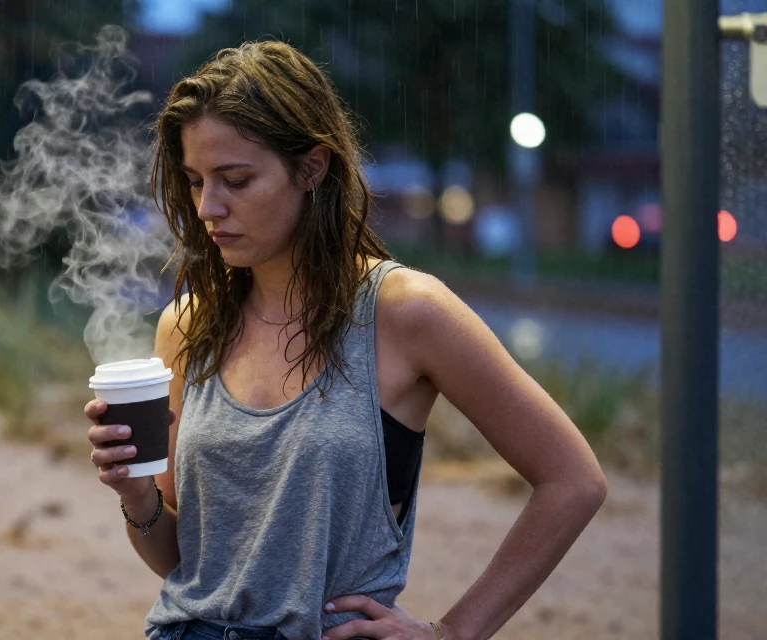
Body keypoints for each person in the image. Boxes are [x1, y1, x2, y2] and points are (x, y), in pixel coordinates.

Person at [84, 40, 607, 640]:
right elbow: (186, 565)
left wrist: (452, 632)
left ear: (312, 167)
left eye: (236, 180)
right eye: (196, 180)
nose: (208, 207)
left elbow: (573, 480)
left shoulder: (405, 312)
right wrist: (136, 494)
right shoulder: (187, 324)